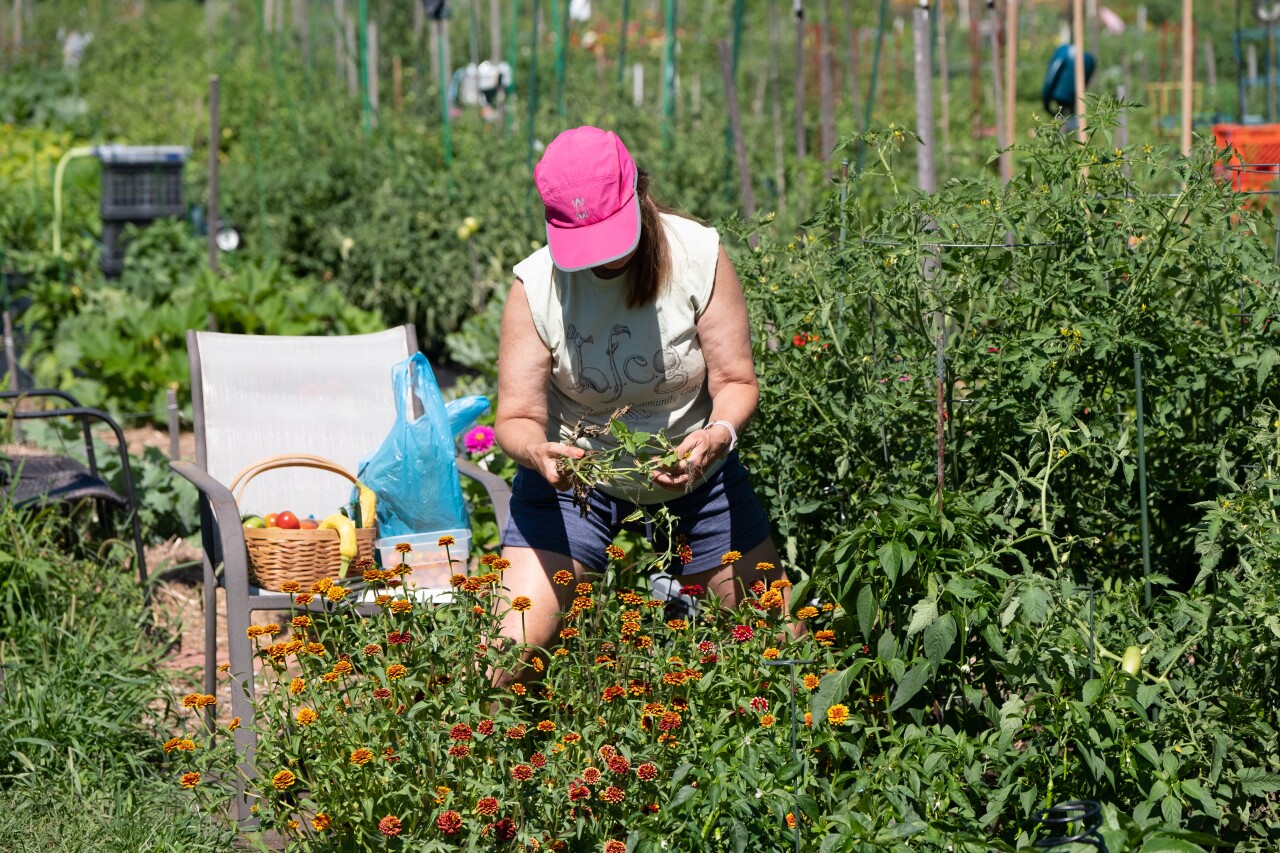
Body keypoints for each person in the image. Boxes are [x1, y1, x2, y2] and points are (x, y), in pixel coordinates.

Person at [493, 125, 787, 665]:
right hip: (575, 484)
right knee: (508, 654)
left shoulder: (698, 256)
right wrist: (539, 453)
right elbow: (516, 416)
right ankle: (513, 744)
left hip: (696, 474)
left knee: (773, 642)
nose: (602, 262)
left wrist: (716, 435)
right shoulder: (535, 287)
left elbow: (736, 383)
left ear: (641, 194)